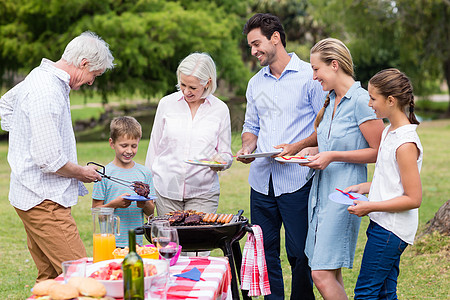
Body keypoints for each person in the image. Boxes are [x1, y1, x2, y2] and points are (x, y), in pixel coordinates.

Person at [0, 31, 114, 282]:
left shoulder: (40, 77)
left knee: (50, 278)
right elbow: (50, 160)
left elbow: (5, 105)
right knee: (83, 277)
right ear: (83, 63)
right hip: (44, 201)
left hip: (30, 196)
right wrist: (83, 173)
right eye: (94, 75)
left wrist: (26, 133)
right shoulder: (47, 90)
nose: (91, 82)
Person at [236, 13, 326, 299]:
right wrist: (248, 148)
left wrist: (297, 147)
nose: (253, 51)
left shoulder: (308, 76)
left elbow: (322, 127)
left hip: (297, 180)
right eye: (250, 46)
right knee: (265, 253)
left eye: (257, 43)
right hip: (261, 182)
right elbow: (251, 127)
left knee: (300, 253)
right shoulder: (255, 83)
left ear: (275, 38)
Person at [296, 38, 385, 299]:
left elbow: (378, 151)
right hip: (321, 195)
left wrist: (332, 155)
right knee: (329, 272)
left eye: (316, 69)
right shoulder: (330, 99)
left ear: (334, 65)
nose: (313, 76)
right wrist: (311, 151)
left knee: (320, 274)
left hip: (345, 194)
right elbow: (327, 144)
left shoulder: (361, 101)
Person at [345, 68, 423, 299]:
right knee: (385, 293)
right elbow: (391, 181)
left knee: (365, 293)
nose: (369, 104)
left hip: (392, 229)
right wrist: (364, 188)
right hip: (382, 224)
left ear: (390, 100)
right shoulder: (389, 130)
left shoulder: (405, 143)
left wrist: (369, 206)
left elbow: (413, 198)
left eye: (372, 98)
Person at [145, 52, 233, 216]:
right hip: (165, 191)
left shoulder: (220, 110)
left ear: (208, 83)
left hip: (203, 193)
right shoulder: (166, 104)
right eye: (183, 84)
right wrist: (147, 187)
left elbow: (226, 153)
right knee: (170, 240)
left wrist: (222, 161)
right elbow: (154, 148)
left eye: (193, 87)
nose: (186, 91)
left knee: (197, 240)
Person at [92, 116, 155, 247]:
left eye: (134, 146)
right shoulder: (103, 174)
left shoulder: (145, 173)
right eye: (124, 145)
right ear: (112, 143)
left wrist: (144, 204)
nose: (129, 151)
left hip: (136, 242)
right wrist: (115, 204)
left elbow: (150, 213)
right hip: (110, 242)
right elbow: (97, 212)